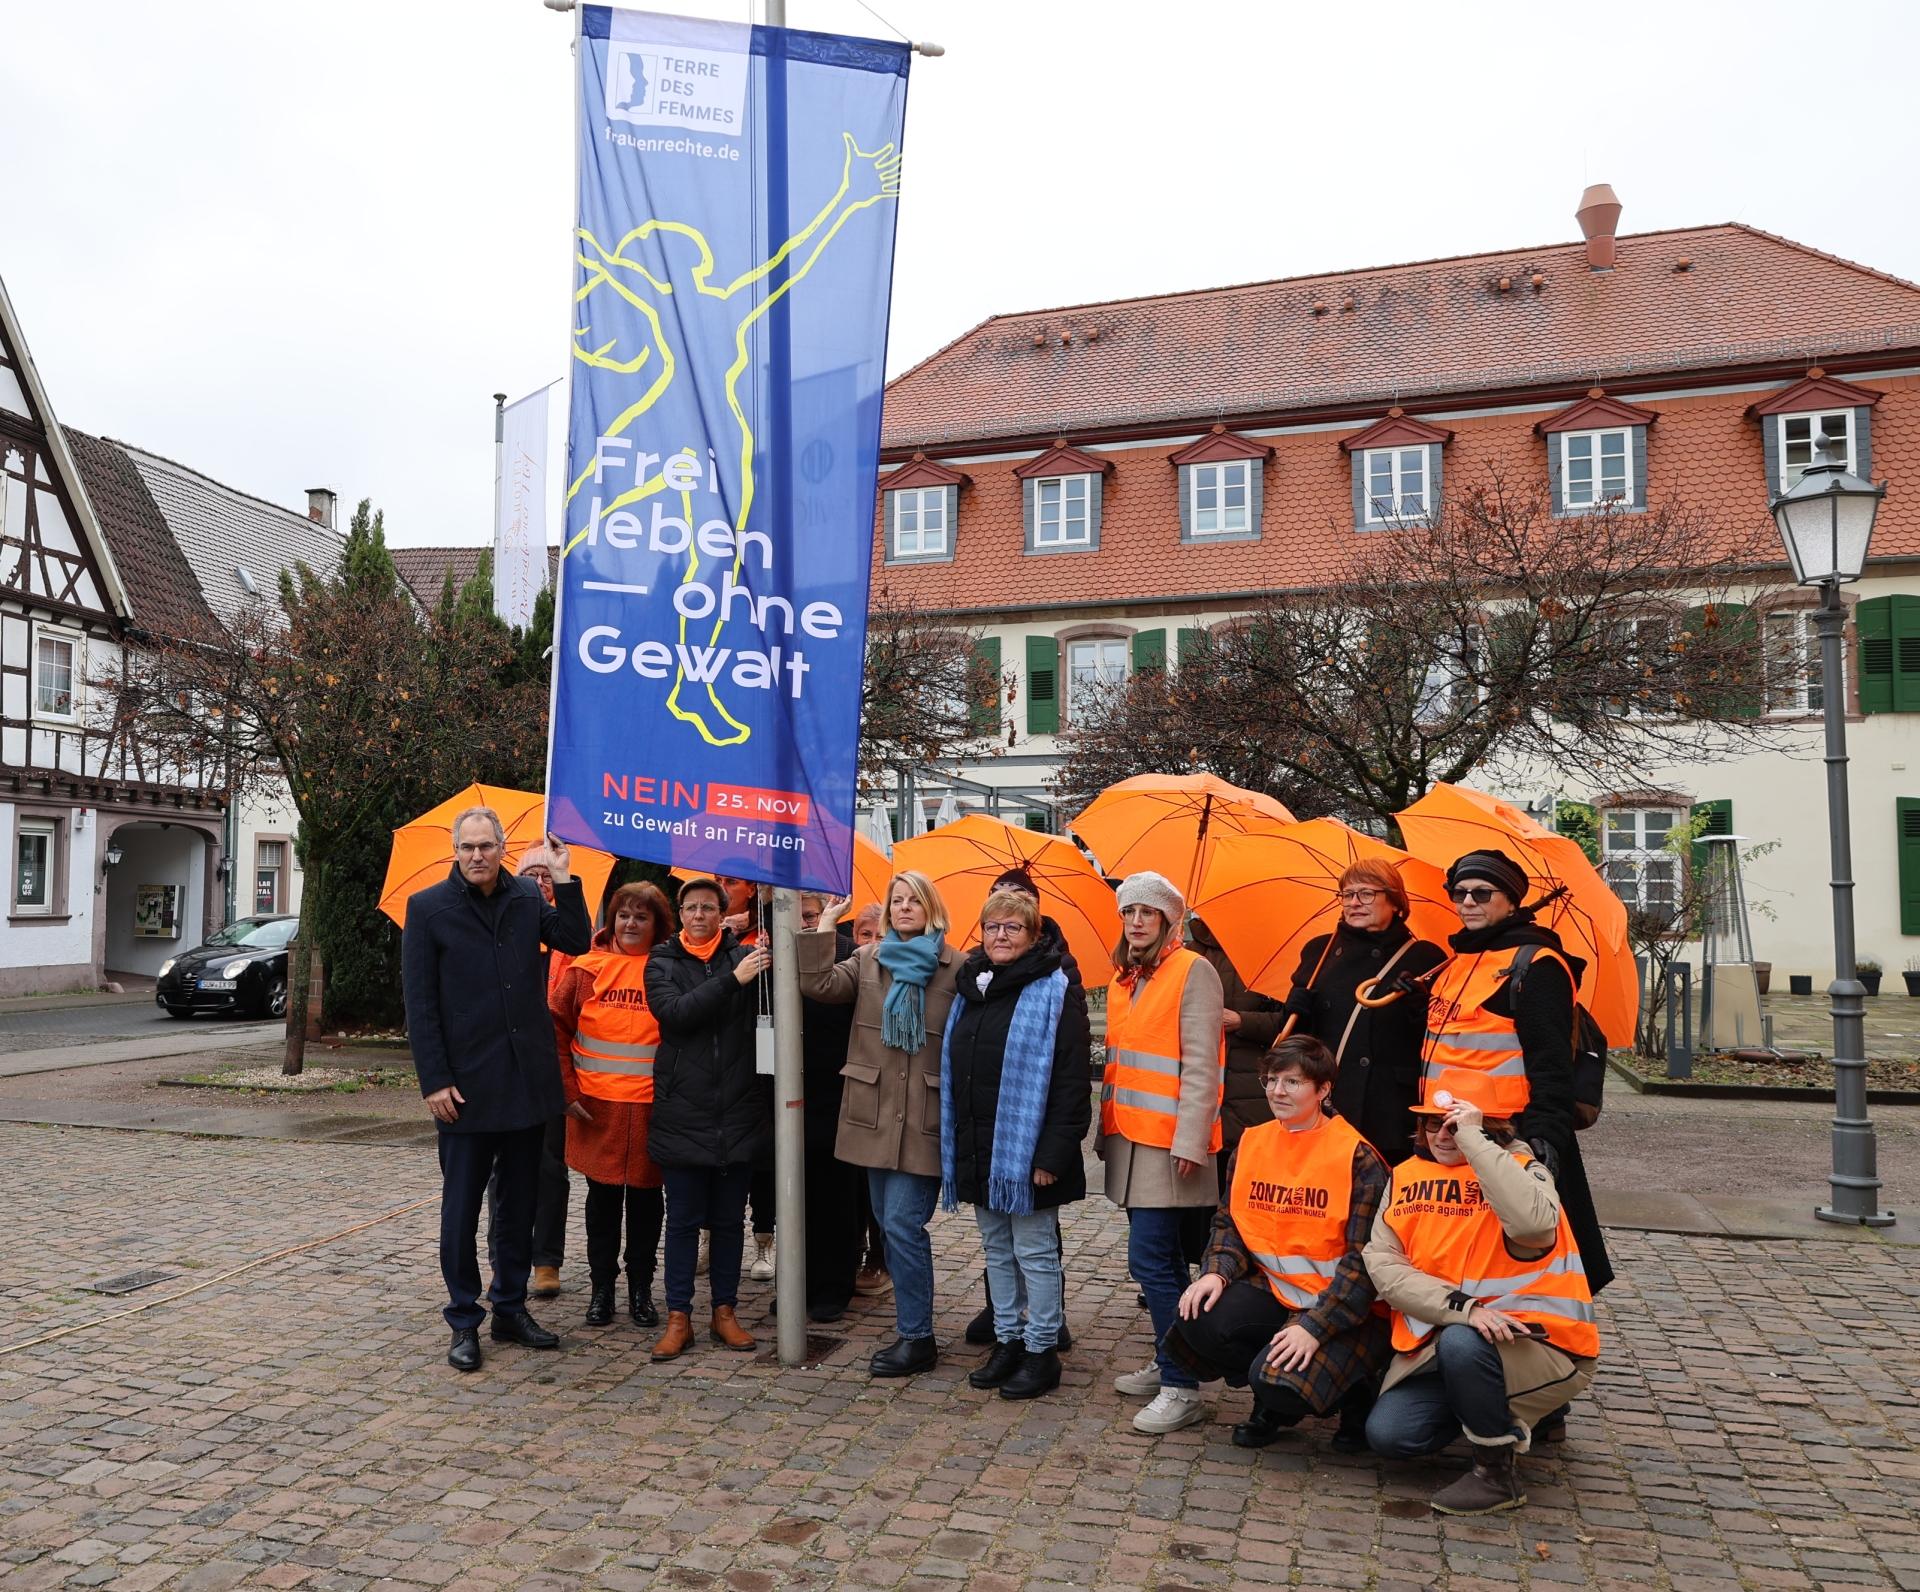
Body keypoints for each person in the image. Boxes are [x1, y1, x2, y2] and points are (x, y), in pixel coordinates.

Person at [403, 807, 592, 1372]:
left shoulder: (528, 899)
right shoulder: (429, 908)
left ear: (502, 848)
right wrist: (434, 1080)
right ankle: (465, 1318)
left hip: (525, 1082)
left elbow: (577, 938)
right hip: (463, 1087)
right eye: (468, 848)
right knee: (460, 1211)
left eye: (486, 846)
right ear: (455, 852)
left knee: (517, 1206)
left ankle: (509, 1306)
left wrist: (562, 875)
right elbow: (421, 1004)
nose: (477, 856)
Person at [1362, 1068, 1599, 1514]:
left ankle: (1496, 1475)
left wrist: (1475, 1142)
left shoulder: (1525, 1170)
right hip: (1446, 1347)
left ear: (1489, 1126)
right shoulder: (1406, 1175)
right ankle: (1489, 1409)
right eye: (1435, 1123)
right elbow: (1384, 1266)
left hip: (1543, 1345)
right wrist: (1466, 1308)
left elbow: (1533, 1224)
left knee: (1463, 1341)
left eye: (1456, 1123)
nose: (1443, 1134)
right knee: (1390, 1436)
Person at [1162, 1035, 1391, 1451]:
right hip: (1279, 1292)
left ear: (1323, 1090)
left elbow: (1364, 1265)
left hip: (1347, 1309)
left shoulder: (1357, 1157)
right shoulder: (1252, 1142)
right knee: (1197, 1315)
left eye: (1293, 1082)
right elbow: (1228, 1221)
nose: (1277, 1091)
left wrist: (1314, 1327)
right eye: (1271, 1080)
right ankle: (1273, 1395)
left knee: (1284, 1382)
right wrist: (1215, 1273)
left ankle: (1356, 1389)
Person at [1425, 851, 1612, 1302]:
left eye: (1481, 893)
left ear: (1510, 901)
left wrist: (1547, 1140)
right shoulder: (1457, 963)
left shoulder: (1538, 966)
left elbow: (1552, 1065)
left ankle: (1532, 1332)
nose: (1467, 902)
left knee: (1519, 1250)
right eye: (1459, 893)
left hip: (1508, 1136)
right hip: (1446, 1132)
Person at [803, 872, 960, 1378]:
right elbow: (818, 984)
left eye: (916, 900)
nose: (906, 907)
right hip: (871, 1116)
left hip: (923, 1116)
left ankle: (918, 1338)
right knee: (891, 1224)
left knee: (901, 1225)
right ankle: (916, 1331)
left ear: (932, 907)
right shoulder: (868, 960)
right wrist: (826, 923)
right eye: (898, 901)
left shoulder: (955, 967)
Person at [943, 889, 1092, 1401]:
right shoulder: (973, 988)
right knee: (997, 1251)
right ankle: (1007, 1339)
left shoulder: (1055, 988)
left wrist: (1051, 1154)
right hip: (984, 1147)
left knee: (1034, 1252)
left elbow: (1072, 1080)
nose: (1000, 936)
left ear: (1033, 936)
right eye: (992, 927)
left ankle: (1041, 1348)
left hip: (1029, 1154)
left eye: (1013, 928)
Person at [1099, 870, 1226, 1435]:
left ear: (1170, 920)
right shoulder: (1126, 978)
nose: (1136, 922)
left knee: (1149, 1259)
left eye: (1147, 913)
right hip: (1131, 1140)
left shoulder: (1192, 970)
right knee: (1166, 1260)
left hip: (1170, 1144)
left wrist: (1193, 1140)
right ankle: (1169, 1355)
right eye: (1129, 912)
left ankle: (1181, 1383)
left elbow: (1204, 1063)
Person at [643, 876, 773, 1360]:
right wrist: (730, 981)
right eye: (691, 908)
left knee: (727, 1220)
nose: (699, 916)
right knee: (681, 1221)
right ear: (680, 914)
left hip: (738, 1108)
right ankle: (680, 1316)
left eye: (708, 908)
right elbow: (674, 1013)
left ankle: (725, 1312)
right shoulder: (663, 961)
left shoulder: (744, 957)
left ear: (723, 914)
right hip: (683, 1110)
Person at [550, 881, 675, 1331]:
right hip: (594, 1110)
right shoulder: (585, 971)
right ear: (611, 919)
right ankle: (602, 1290)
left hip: (651, 1112)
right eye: (624, 914)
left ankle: (641, 1291)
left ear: (657, 923)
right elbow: (556, 1030)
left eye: (642, 916)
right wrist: (566, 1091)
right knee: (601, 1205)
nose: (630, 923)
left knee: (646, 1205)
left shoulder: (671, 968)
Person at [1280, 859, 1448, 1166]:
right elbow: (1296, 1040)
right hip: (1329, 1100)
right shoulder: (1319, 951)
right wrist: (1297, 1013)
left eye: (1366, 894)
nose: (1354, 902)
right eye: (1347, 894)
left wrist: (1417, 1008)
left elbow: (1439, 1040)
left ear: (1395, 901)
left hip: (1389, 1107)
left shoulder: (1425, 957)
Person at [487, 849, 574, 1301]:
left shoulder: (568, 932)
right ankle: (501, 1258)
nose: (540, 882)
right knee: (500, 1170)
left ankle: (546, 1260)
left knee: (548, 1167)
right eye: (531, 875)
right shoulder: (501, 929)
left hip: (549, 1067)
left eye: (546, 875)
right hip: (503, 1065)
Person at [798, 892, 861, 1322]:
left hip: (840, 1093)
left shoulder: (850, 958)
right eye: (797, 915)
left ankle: (835, 1286)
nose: (804, 922)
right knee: (798, 1200)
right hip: (791, 1096)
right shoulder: (778, 957)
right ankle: (798, 1281)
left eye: (811, 914)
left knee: (839, 1201)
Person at [1186, 916, 1285, 1187]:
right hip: (1200, 1088)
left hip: (1252, 1092)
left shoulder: (1272, 953)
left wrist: (1244, 1021)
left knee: (1247, 1187)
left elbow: (1292, 1021)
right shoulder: (1189, 954)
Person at [716, 875, 779, 1285]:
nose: (723, 887)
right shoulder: (708, 933)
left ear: (753, 890)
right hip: (723, 1058)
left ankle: (764, 1239)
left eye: (731, 882)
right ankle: (713, 1236)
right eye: (718, 880)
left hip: (766, 1050)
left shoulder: (766, 929)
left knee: (764, 1153)